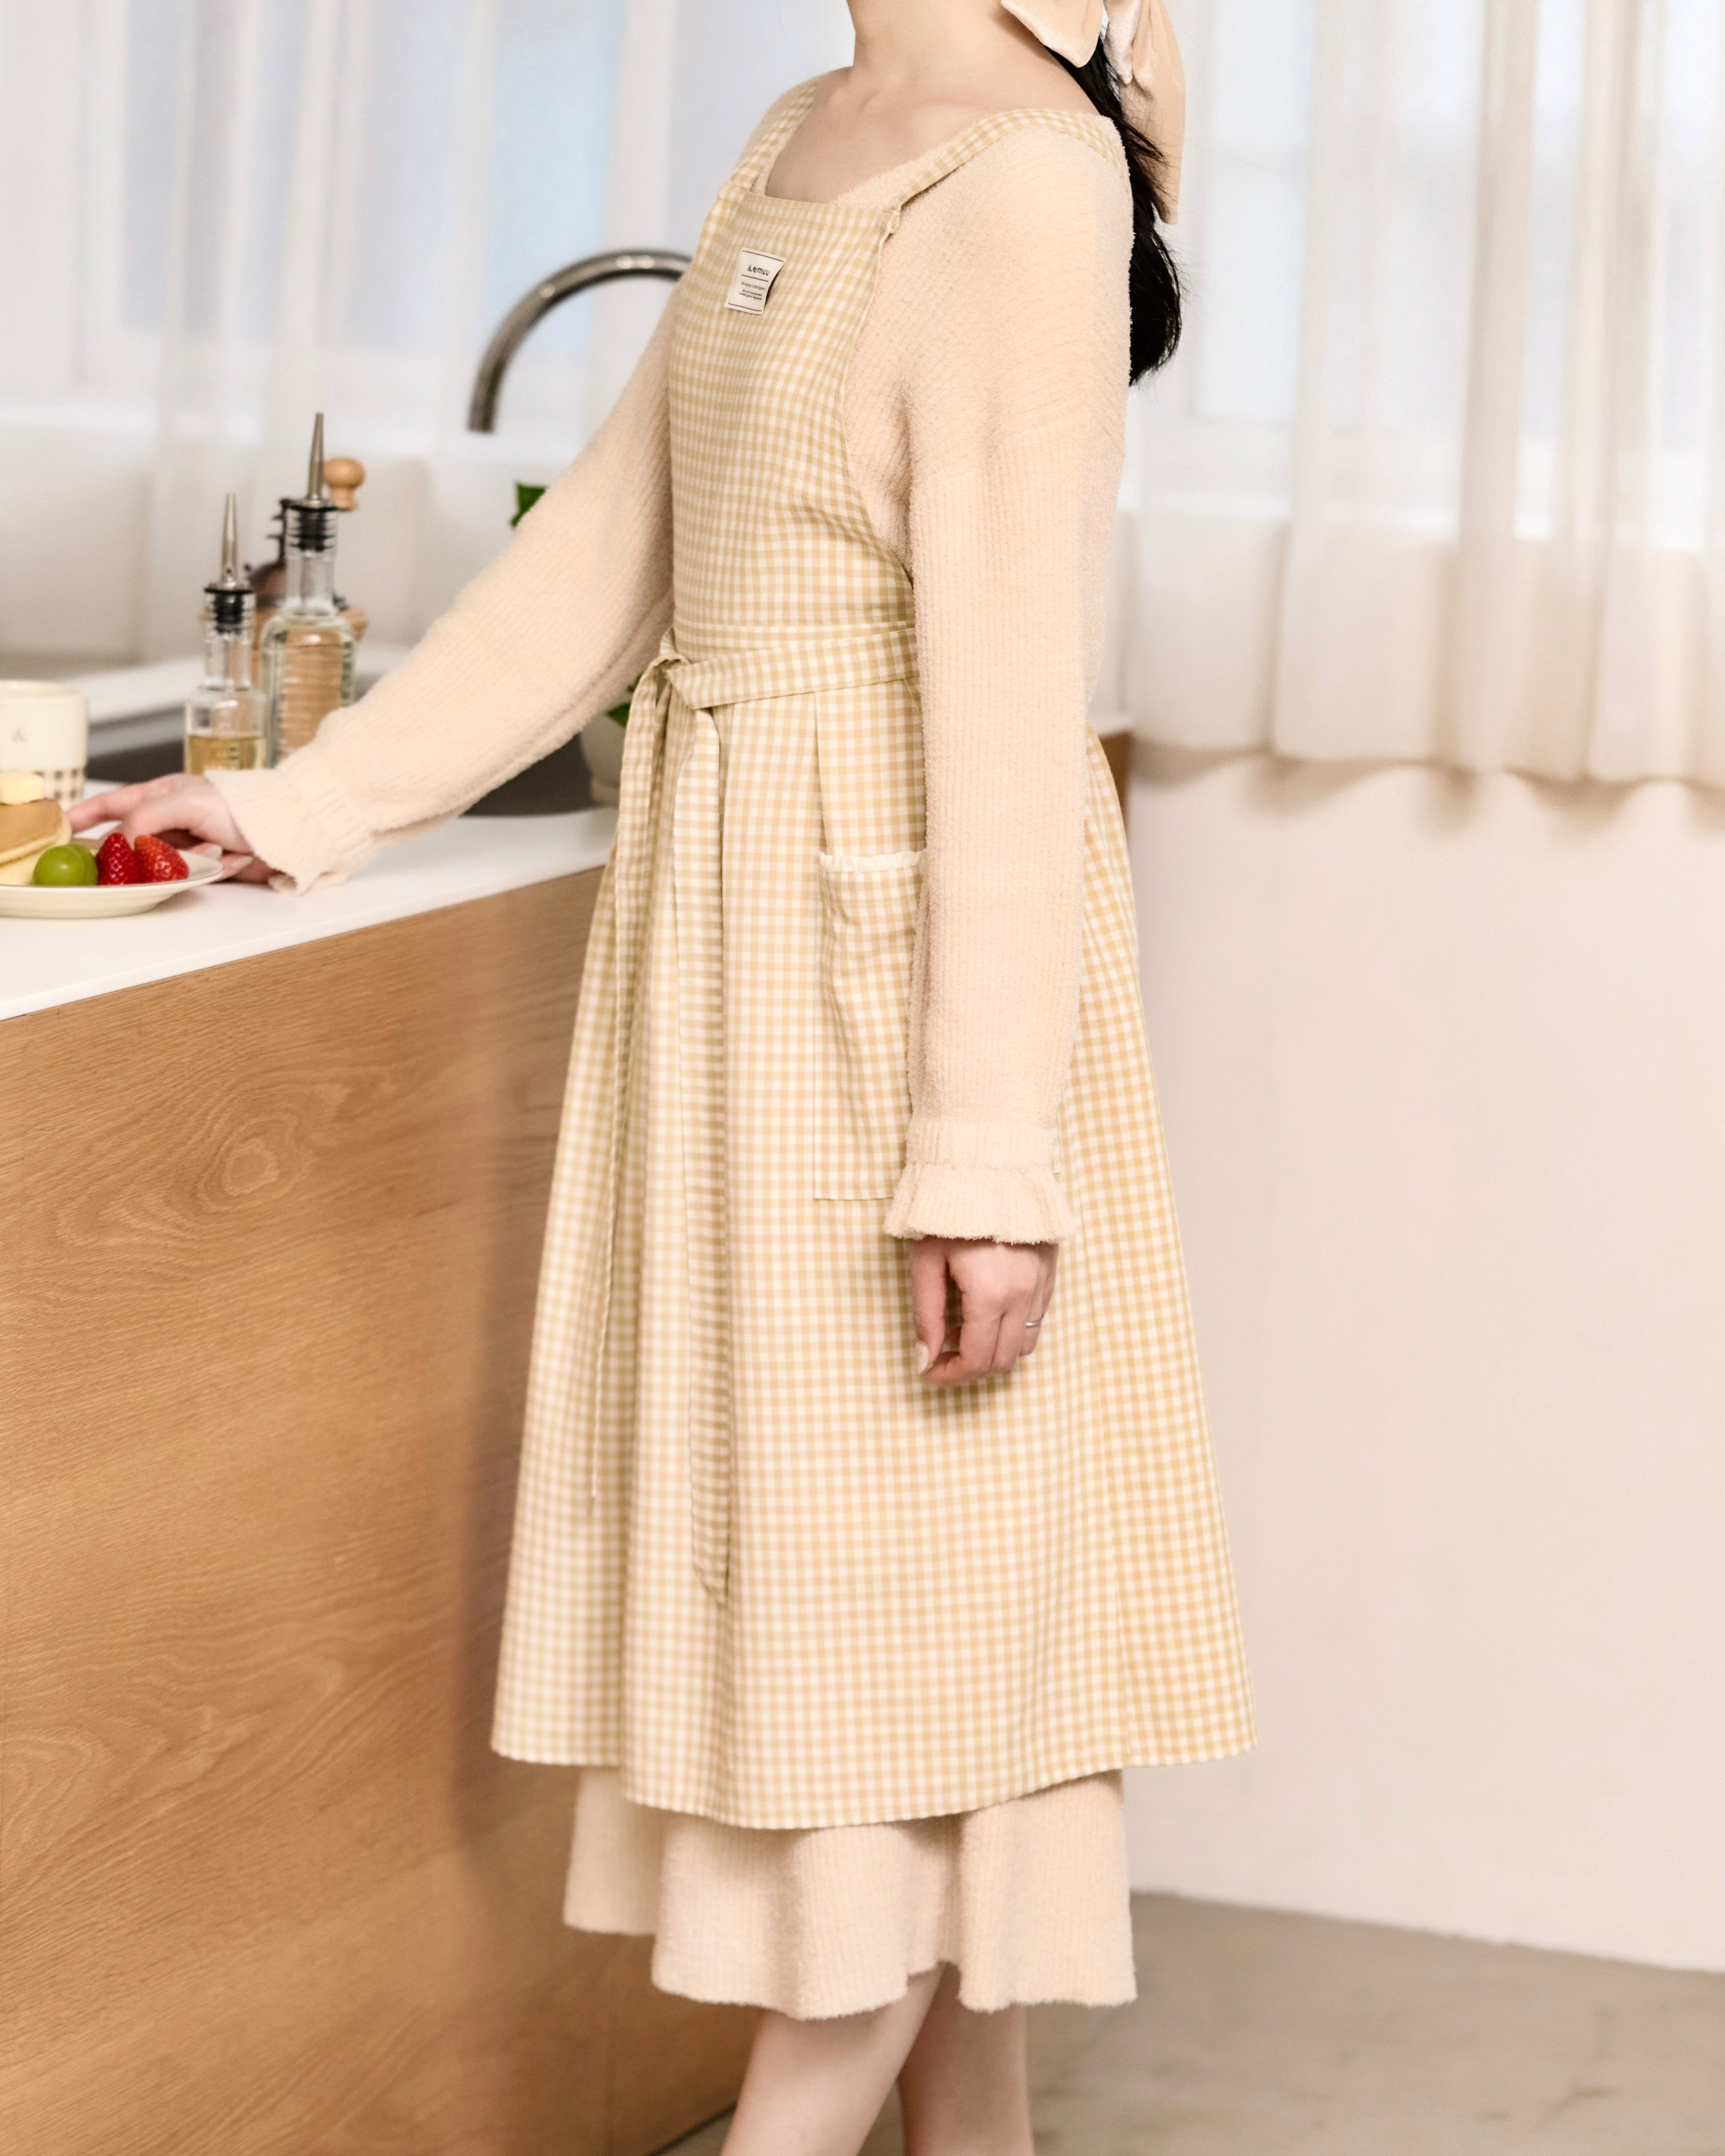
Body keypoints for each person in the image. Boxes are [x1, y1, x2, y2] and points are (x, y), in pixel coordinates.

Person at [76, 2, 1253, 2147]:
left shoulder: (1022, 184)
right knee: (895, 1616)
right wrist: (308, 801)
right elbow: (607, 554)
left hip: (889, 1005)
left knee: (895, 1629)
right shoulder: (810, 125)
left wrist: (984, 1160)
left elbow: (1010, 710)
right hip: (739, 965)